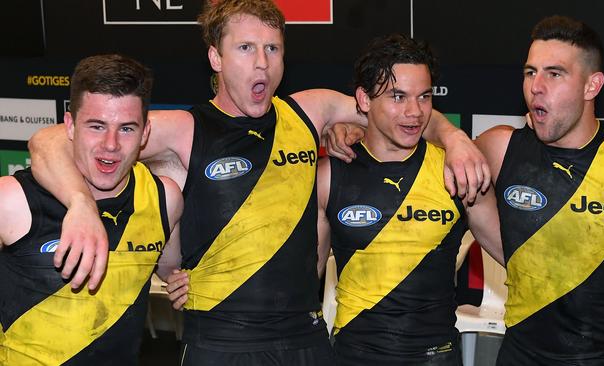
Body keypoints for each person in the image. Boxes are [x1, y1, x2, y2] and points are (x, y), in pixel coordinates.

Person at [27, 1, 492, 364]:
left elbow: (401, 113)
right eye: (245, 48)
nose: (262, 64)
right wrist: (80, 205)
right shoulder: (185, 131)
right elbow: (49, 141)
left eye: (272, 49)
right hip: (222, 342)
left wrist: (454, 139)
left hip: (304, 338)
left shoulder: (311, 111)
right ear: (215, 55)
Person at [316, 34, 504, 366]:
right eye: (398, 96)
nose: (414, 112)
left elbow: (520, 256)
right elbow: (301, 283)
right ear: (363, 99)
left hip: (437, 357)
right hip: (354, 357)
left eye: (424, 96)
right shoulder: (330, 176)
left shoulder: (457, 171)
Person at [473, 16, 604, 365]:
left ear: (591, 86)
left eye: (554, 74)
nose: (536, 86)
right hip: (521, 357)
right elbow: (409, 138)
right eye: (529, 72)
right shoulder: (499, 149)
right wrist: (350, 127)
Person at [0, 54, 183, 365]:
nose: (110, 144)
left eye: (126, 129)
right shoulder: (12, 199)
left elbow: (169, 271)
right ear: (69, 126)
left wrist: (183, 282)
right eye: (96, 126)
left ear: (146, 133)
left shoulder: (164, 197)